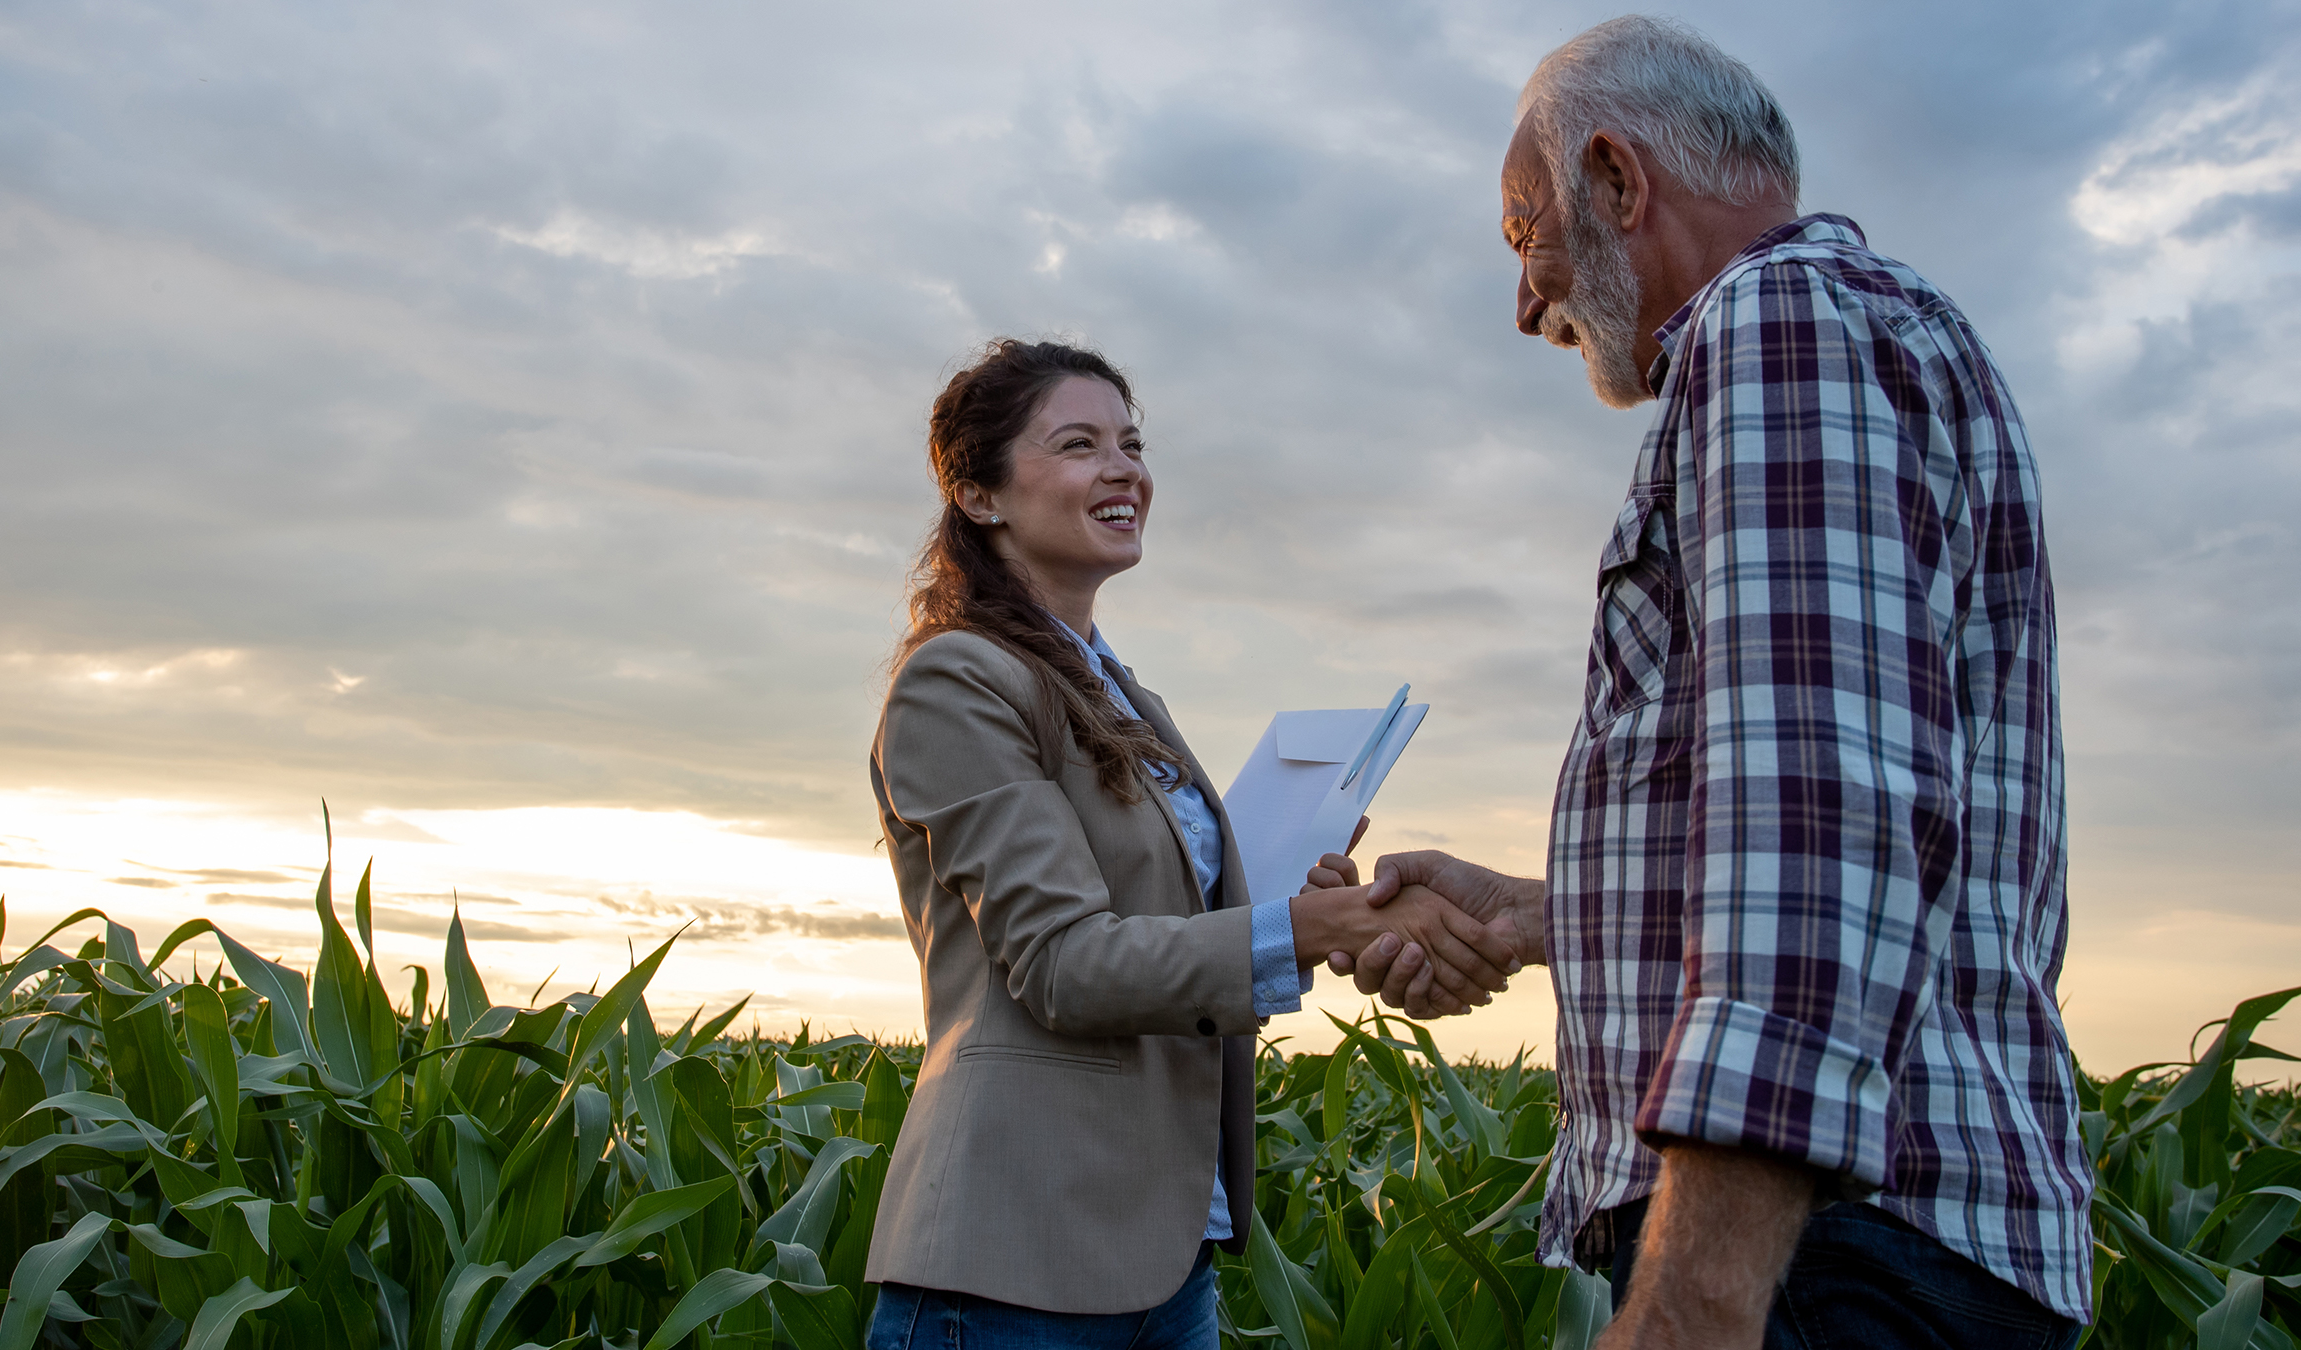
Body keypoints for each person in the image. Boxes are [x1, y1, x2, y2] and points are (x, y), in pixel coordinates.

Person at [1331, 16, 2094, 1349]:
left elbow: (1819, 823)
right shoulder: (1854, 334)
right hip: (1857, 1241)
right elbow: (1854, 823)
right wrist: (1528, 914)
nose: (1527, 305)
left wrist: (1692, 1300)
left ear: (1619, 182)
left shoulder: (1777, 319)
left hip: (1826, 1253)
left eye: (1528, 237)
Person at [861, 338, 1511, 1348]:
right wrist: (1300, 927)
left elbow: (1168, 935)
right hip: (1016, 1263)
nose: (1124, 469)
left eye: (1132, 443)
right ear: (980, 492)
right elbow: (1065, 963)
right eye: (1079, 445)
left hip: (1169, 1262)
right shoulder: (958, 680)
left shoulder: (1127, 696)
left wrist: (1300, 897)